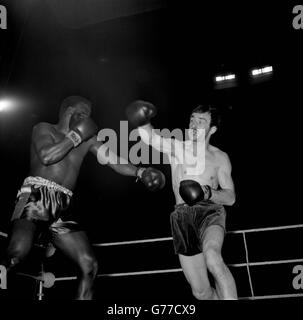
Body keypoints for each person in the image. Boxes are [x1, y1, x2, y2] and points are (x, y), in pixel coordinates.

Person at [0, 96, 165, 300]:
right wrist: (76, 136)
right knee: (16, 255)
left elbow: (113, 160)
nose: (88, 118)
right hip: (36, 196)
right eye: (84, 113)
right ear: (68, 111)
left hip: (63, 205)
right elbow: (47, 156)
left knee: (89, 265)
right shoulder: (44, 128)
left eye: (89, 115)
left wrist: (140, 172)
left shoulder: (88, 140)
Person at [126, 100, 237, 300]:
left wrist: (208, 192)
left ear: (212, 129)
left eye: (201, 121)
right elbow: (151, 138)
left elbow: (230, 197)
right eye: (192, 120)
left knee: (213, 258)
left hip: (209, 212)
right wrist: (141, 121)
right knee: (201, 292)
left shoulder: (220, 158)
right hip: (182, 217)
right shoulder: (176, 147)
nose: (194, 125)